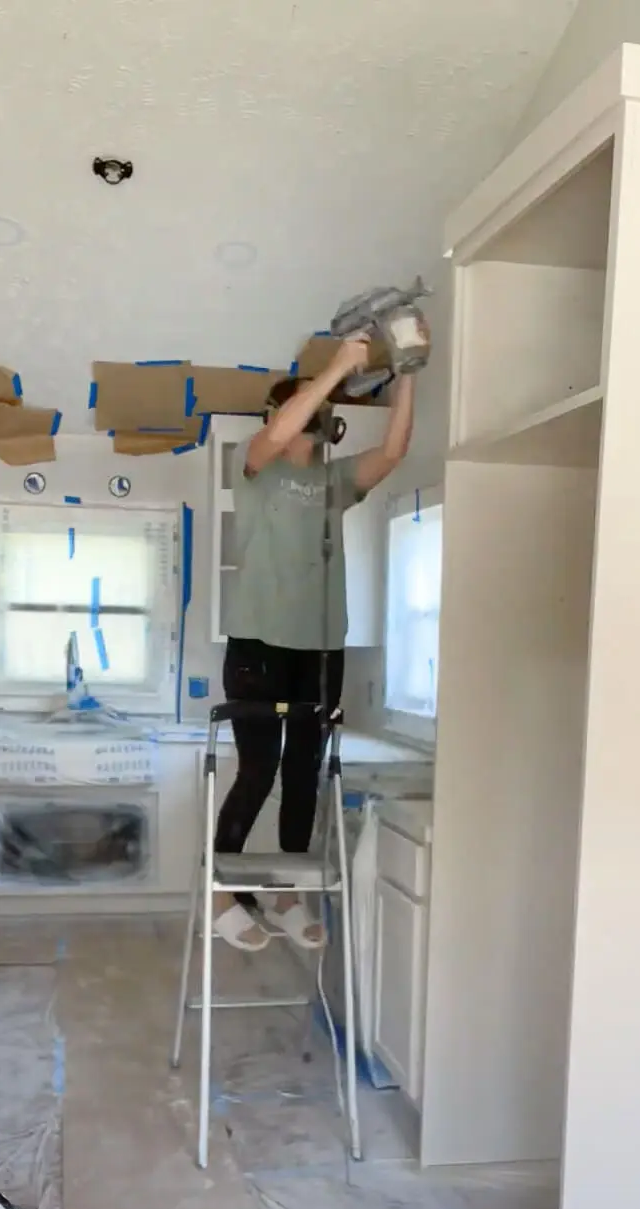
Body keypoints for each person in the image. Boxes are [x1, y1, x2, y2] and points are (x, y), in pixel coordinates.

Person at [212, 331, 422, 950]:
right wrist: (334, 368)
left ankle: (283, 893)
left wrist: (406, 371)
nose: (311, 422)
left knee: (303, 772)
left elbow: (394, 450)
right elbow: (277, 435)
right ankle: (226, 891)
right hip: (257, 644)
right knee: (259, 767)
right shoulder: (255, 470)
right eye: (302, 410)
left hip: (322, 649)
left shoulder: (335, 484)